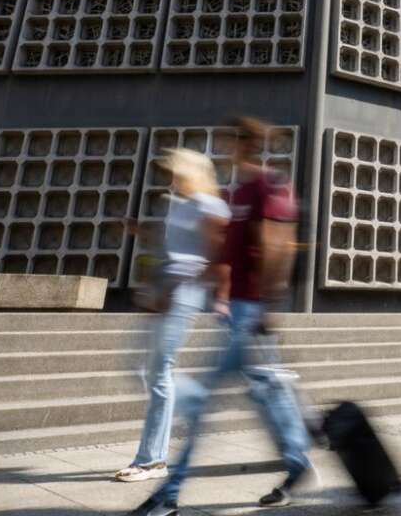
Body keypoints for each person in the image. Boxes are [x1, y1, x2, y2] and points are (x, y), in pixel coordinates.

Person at [132, 118, 312, 515]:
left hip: (252, 312)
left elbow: (279, 245)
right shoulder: (235, 192)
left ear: (245, 143)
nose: (223, 147)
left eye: (228, 140)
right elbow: (220, 255)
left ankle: (168, 495)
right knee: (268, 391)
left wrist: (268, 304)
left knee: (205, 399)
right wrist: (201, 285)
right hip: (238, 312)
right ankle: (299, 458)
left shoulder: (268, 185)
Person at [114, 148, 230, 483]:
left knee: (159, 372)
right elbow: (175, 247)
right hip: (165, 290)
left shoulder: (210, 206)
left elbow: (217, 254)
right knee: (140, 368)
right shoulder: (179, 206)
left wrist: (214, 295)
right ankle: (196, 404)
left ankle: (151, 460)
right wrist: (142, 232)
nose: (172, 179)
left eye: (177, 173)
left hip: (182, 294)